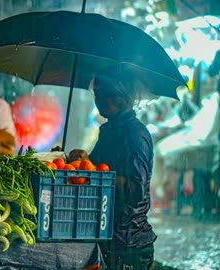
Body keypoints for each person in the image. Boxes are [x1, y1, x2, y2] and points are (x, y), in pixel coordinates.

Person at [70, 66, 156, 269]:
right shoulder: (109, 130)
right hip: (108, 235)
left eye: (107, 94)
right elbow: (94, 167)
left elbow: (135, 189)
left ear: (123, 94)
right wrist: (80, 159)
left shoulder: (135, 134)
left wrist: (95, 175)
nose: (100, 100)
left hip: (129, 242)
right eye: (97, 95)